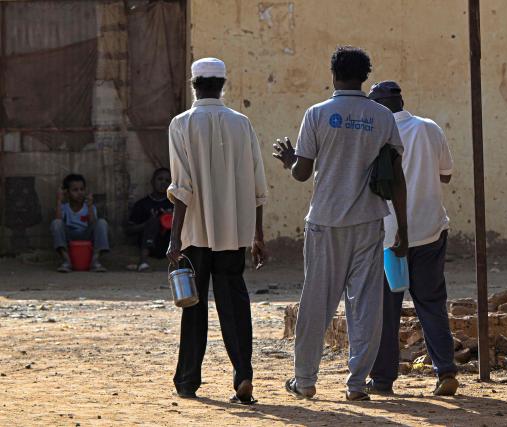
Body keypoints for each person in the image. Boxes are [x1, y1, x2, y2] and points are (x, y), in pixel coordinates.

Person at [273, 46, 408, 402]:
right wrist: (404, 230)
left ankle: (304, 380)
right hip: (369, 221)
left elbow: (302, 174)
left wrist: (290, 160)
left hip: (325, 221)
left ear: (333, 74)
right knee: (365, 306)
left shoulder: (317, 113)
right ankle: (356, 384)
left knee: (317, 301)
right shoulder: (382, 117)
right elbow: (395, 177)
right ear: (365, 77)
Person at [166, 57, 268, 403]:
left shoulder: (181, 124)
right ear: (222, 85)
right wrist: (258, 234)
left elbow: (182, 188)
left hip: (195, 233)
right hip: (233, 233)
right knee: (235, 304)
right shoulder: (241, 124)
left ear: (194, 85)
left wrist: (174, 237)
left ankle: (187, 380)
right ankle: (243, 372)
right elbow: (258, 186)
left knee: (193, 305)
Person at [365, 81, 458, 396]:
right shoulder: (428, 128)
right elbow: (446, 173)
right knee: (431, 303)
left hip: (388, 237)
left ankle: (382, 379)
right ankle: (445, 370)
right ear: (402, 101)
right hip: (429, 231)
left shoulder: (373, 134)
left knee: (385, 310)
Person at [50, 174, 109, 273]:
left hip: (86, 235)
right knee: (56, 223)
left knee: (102, 222)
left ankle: (95, 261)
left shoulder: (89, 206)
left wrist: (90, 206)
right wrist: (59, 200)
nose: (80, 193)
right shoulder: (64, 207)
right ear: (67, 193)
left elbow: (93, 225)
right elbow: (58, 222)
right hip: (70, 237)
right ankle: (66, 261)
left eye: (82, 189)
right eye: (75, 190)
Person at [126, 167, 173, 272]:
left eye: (167, 181)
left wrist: (170, 219)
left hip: (168, 244)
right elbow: (129, 230)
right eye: (160, 179)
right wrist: (147, 224)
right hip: (149, 245)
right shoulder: (142, 204)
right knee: (154, 221)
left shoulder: (174, 204)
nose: (163, 183)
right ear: (152, 181)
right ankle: (143, 261)